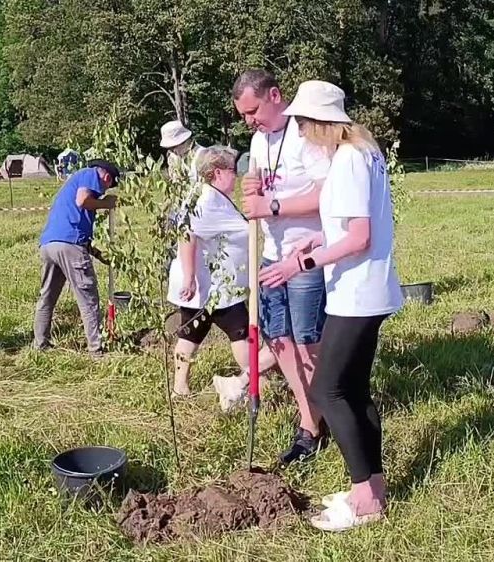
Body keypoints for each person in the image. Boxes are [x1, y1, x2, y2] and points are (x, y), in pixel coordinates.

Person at [253, 80, 402, 531]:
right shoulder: (361, 154)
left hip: (358, 293)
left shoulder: (351, 160)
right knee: (354, 390)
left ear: (321, 123)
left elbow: (360, 236)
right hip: (363, 290)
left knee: (327, 391)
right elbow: (344, 225)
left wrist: (303, 264)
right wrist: (308, 248)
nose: (297, 131)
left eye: (301, 122)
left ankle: (363, 500)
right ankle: (372, 488)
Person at [225, 68, 332, 466]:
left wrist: (273, 206)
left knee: (307, 341)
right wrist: (252, 190)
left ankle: (324, 413)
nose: (248, 120)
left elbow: (327, 196)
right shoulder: (257, 140)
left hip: (304, 255)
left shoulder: (307, 136)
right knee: (280, 341)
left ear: (275, 95)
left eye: (253, 111)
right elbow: (258, 186)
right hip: (271, 252)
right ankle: (310, 423)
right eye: (243, 115)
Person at [165, 145, 277, 405]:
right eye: (231, 170)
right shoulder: (207, 200)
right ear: (216, 172)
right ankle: (251, 384)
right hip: (214, 287)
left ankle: (182, 388)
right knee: (241, 332)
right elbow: (186, 234)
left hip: (218, 285)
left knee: (191, 333)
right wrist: (190, 277)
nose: (235, 175)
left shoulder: (213, 196)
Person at [33, 160, 119, 356]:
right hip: (69, 246)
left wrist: (99, 254)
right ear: (107, 177)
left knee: (47, 297)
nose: (103, 190)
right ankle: (96, 351)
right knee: (88, 298)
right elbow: (83, 200)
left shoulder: (72, 184)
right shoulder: (91, 175)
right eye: (108, 186)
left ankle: (40, 345)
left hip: (49, 245)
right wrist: (106, 203)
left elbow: (73, 227)